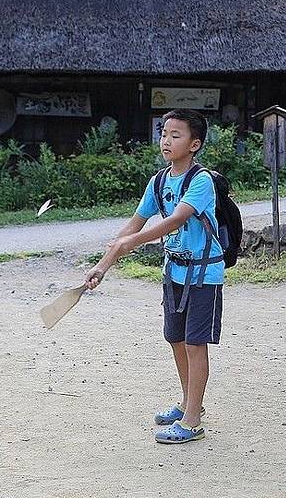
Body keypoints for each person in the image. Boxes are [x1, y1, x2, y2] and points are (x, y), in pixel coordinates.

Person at [85, 109, 225, 444]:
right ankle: (190, 403)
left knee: (194, 344)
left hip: (204, 274)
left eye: (176, 135)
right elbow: (132, 226)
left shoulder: (201, 181)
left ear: (195, 144)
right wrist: (102, 265)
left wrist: (134, 241)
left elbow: (174, 221)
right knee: (175, 339)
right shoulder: (159, 182)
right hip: (173, 272)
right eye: (164, 133)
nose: (166, 140)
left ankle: (192, 422)